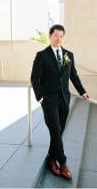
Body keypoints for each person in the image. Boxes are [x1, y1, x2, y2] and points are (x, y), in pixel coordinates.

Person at [31, 24, 89, 179]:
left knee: (59, 131)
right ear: (50, 36)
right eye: (56, 35)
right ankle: (62, 163)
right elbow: (35, 78)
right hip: (49, 100)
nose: (59, 38)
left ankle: (51, 159)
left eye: (61, 36)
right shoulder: (42, 56)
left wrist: (82, 91)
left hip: (64, 98)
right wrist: (41, 97)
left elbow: (73, 76)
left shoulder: (68, 55)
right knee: (55, 130)